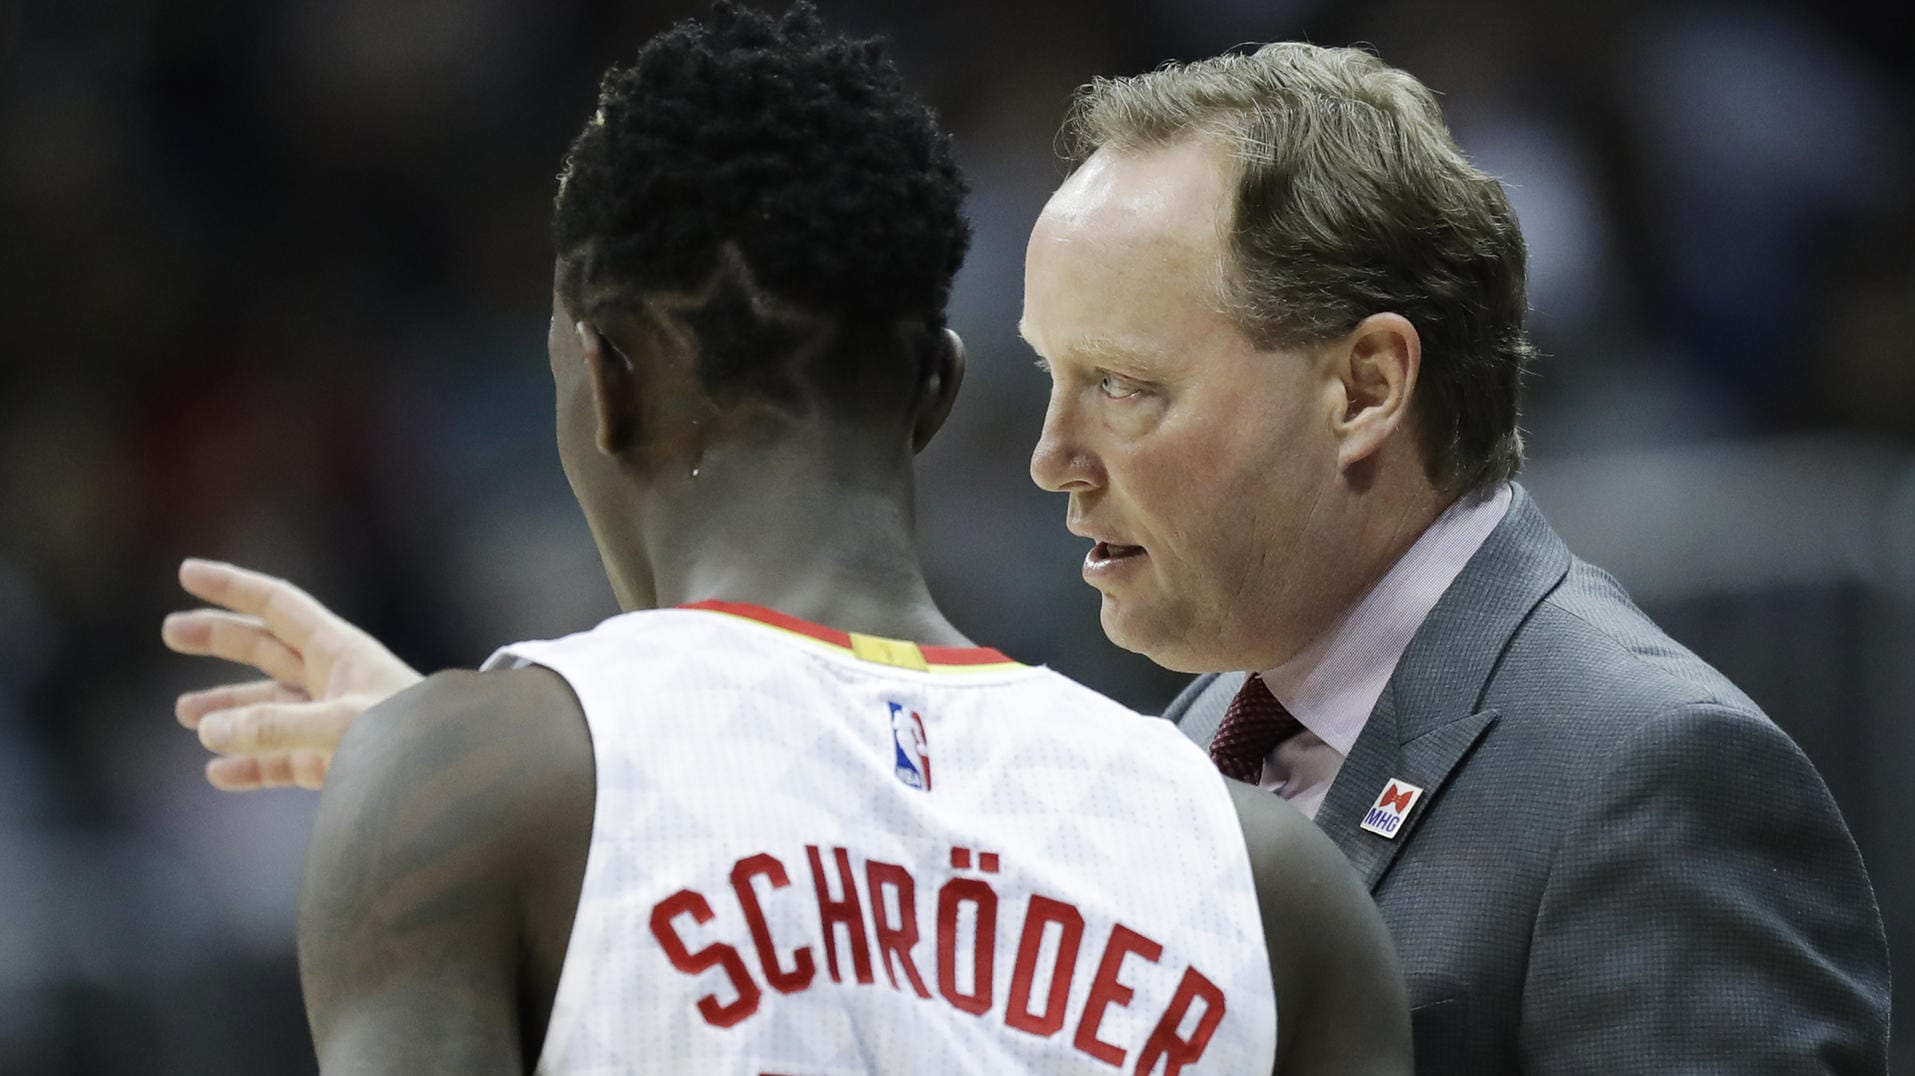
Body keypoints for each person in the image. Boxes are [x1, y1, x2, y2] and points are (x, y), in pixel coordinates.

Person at [166, 27, 1893, 1076]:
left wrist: (468, 802)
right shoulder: (1158, 783)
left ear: (1367, 386)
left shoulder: (1647, 779)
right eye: (1044, 385)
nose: (1052, 462)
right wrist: (559, 786)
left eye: (1127, 391)